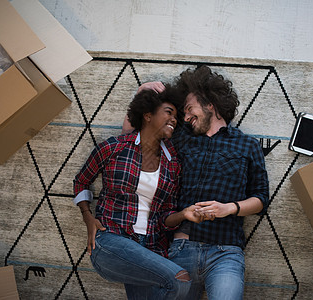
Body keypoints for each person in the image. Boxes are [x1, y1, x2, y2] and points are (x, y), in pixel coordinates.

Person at [125, 66, 270, 299]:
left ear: (210, 104)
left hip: (226, 251)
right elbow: (131, 137)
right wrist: (142, 93)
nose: (185, 117)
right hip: (182, 250)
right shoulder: (181, 138)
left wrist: (229, 208)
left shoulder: (247, 145)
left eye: (189, 108)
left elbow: (261, 198)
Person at [73, 86, 211, 300]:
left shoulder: (172, 163)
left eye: (176, 115)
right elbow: (81, 181)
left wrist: (184, 214)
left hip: (150, 248)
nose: (174, 119)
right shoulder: (115, 147)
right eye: (168, 112)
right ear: (147, 115)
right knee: (179, 278)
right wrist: (87, 217)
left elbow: (165, 216)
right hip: (111, 240)